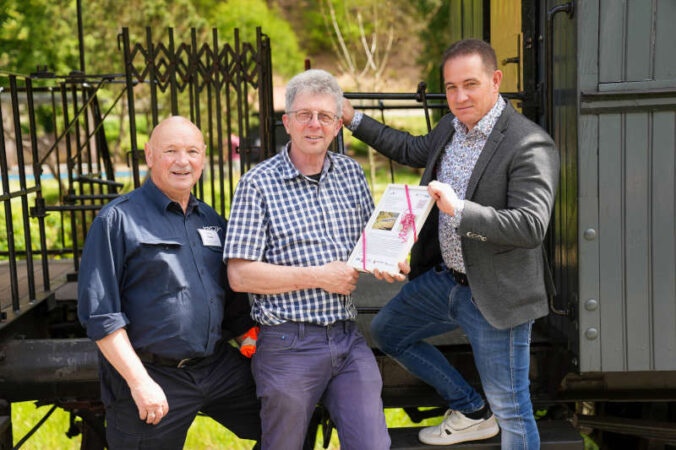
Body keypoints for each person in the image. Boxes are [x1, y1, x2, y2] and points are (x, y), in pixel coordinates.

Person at [342, 39, 559, 448]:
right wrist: (353, 119)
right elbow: (408, 148)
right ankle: (472, 410)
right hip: (447, 282)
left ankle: (488, 412)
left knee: (512, 410)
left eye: (470, 84)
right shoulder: (450, 127)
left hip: (496, 294)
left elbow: (531, 226)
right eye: (451, 87)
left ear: (496, 81)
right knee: (389, 331)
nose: (459, 97)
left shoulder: (529, 143)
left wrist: (461, 210)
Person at [224, 69, 391, 450]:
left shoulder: (351, 173)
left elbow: (366, 246)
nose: (314, 124)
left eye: (325, 116)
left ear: (337, 126)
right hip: (287, 343)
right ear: (287, 122)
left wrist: (389, 258)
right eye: (304, 115)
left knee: (372, 445)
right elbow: (240, 275)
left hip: (347, 341)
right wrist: (318, 276)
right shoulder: (257, 184)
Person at [78, 116, 261, 449]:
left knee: (289, 417)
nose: (182, 161)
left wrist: (252, 341)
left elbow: (234, 305)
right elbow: (101, 317)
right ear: (149, 155)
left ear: (203, 158)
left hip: (217, 368)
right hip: (153, 373)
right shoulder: (116, 221)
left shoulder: (212, 220)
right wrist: (139, 383)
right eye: (171, 151)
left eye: (192, 151)